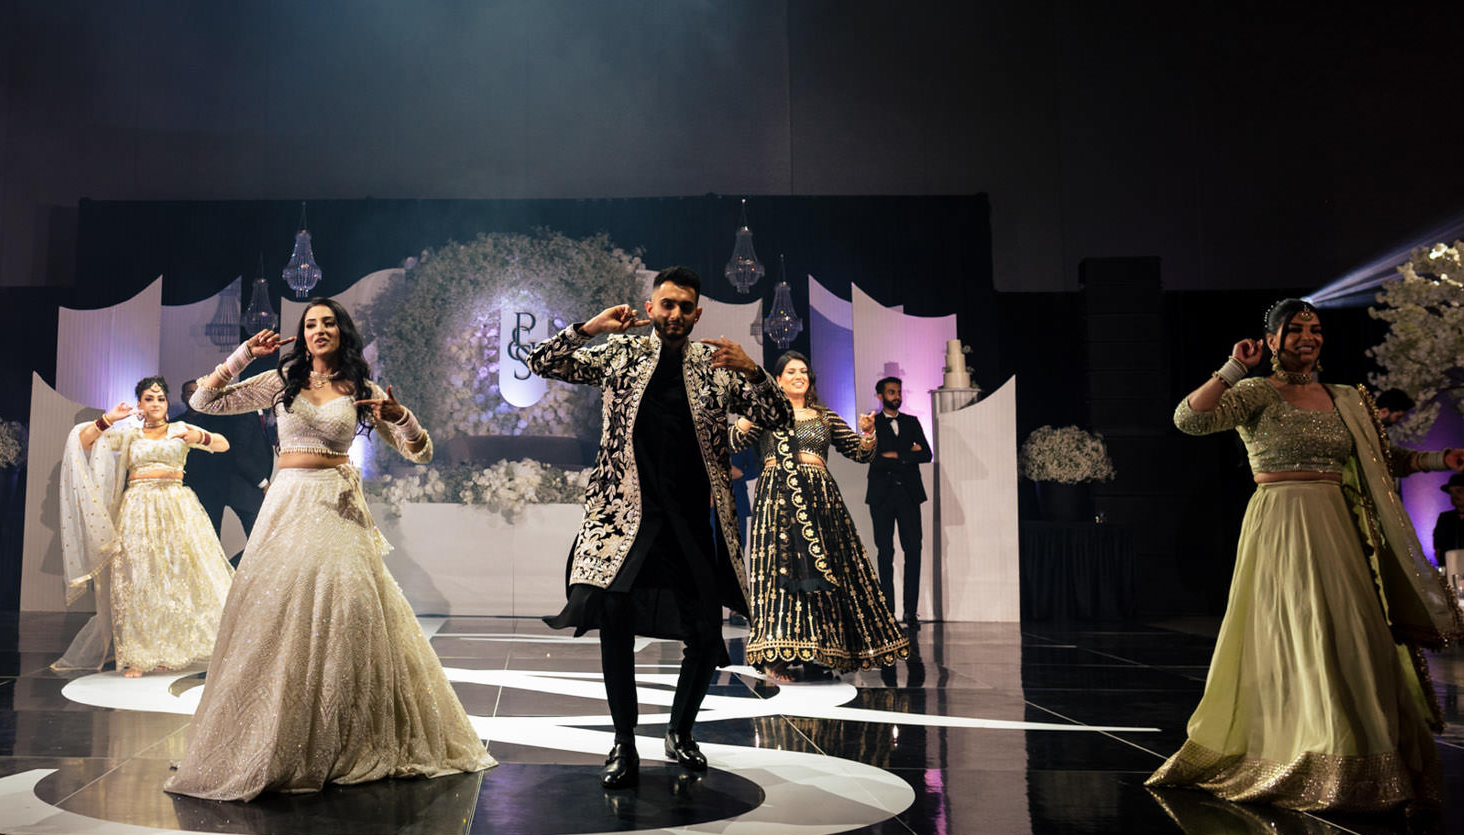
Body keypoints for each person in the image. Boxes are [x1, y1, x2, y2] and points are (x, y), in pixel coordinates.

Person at [1149, 299, 1464, 813]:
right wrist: (1234, 367)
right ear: (1272, 340)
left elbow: (1383, 459)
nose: (1308, 336)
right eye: (1295, 329)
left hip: (1337, 525)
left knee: (1352, 631)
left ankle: (1362, 752)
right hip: (1280, 523)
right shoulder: (1256, 392)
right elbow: (1190, 419)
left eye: (1315, 328)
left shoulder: (1346, 397)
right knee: (1299, 631)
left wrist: (1441, 458)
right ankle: (1295, 744)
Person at [166, 299, 493, 801]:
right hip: (287, 504)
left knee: (349, 612)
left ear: (342, 332)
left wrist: (401, 417)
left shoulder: (362, 389)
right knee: (275, 612)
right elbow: (206, 402)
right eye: (311, 324)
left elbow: (421, 451)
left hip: (339, 509)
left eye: (329, 323)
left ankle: (347, 736)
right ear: (302, 334)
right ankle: (275, 735)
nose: (319, 330)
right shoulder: (280, 381)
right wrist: (243, 355)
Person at [526, 266, 792, 787]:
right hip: (624, 517)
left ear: (697, 314)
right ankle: (623, 742)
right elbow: (541, 361)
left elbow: (780, 416)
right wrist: (591, 328)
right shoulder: (621, 353)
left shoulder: (717, 366)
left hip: (690, 519)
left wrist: (754, 371)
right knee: (615, 622)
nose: (675, 314)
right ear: (650, 309)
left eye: (684, 307)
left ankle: (680, 732)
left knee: (705, 632)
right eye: (666, 304)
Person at [733, 351, 910, 680]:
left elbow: (859, 452)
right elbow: (733, 442)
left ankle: (820, 650)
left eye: (803, 371)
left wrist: (869, 432)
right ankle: (776, 655)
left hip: (819, 499)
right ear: (778, 380)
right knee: (780, 573)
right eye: (790, 371)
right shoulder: (767, 413)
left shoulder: (824, 416)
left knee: (824, 571)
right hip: (777, 500)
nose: (798, 376)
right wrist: (750, 412)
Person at [51, 376, 236, 677]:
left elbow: (223, 444)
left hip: (176, 508)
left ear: (167, 403)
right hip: (138, 509)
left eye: (160, 398)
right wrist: (110, 418)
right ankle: (138, 656)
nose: (155, 403)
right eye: (149, 399)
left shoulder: (180, 429)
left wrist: (198, 438)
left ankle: (169, 650)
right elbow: (84, 442)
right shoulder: (129, 434)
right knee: (138, 581)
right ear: (139, 404)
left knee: (174, 578)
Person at [175, 373, 274, 559]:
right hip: (238, 487)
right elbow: (239, 453)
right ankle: (233, 572)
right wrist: (263, 482)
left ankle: (233, 571)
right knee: (261, 544)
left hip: (238, 487)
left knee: (261, 544)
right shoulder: (243, 413)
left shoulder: (259, 414)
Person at [863, 375, 931, 624]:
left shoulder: (911, 422)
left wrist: (897, 455)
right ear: (880, 396)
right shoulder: (873, 423)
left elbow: (926, 453)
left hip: (909, 495)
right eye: (891, 392)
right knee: (885, 552)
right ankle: (887, 610)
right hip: (881, 496)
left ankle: (911, 610)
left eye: (899, 392)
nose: (897, 396)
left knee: (913, 550)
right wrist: (907, 454)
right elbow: (874, 458)